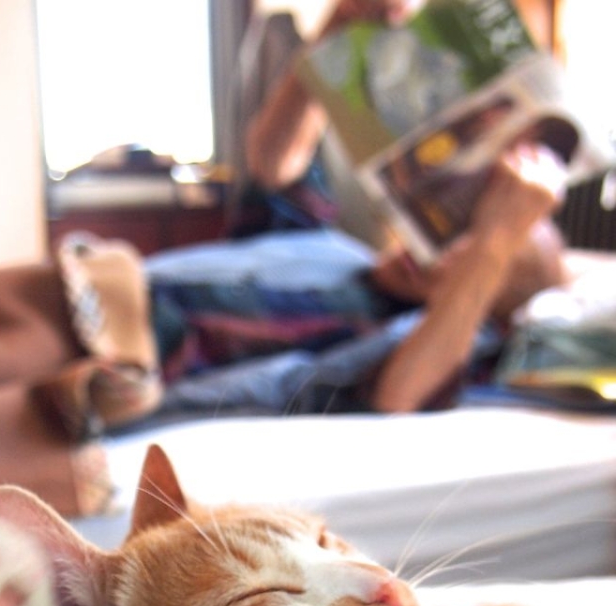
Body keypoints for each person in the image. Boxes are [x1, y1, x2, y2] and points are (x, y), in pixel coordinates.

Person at [242, 0, 573, 412]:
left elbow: (400, 396)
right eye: (459, 235)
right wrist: (337, 28)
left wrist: (497, 239)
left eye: (472, 258)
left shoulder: (396, 335)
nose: (442, 258)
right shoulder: (327, 245)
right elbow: (271, 169)